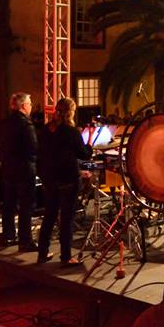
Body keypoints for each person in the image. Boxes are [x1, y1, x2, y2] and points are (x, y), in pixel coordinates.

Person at [37, 97, 92, 265]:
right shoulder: (71, 131)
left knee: (50, 216)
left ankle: (42, 253)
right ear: (70, 112)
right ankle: (66, 256)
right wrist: (89, 140)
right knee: (67, 219)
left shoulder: (46, 129)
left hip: (50, 178)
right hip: (68, 179)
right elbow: (84, 154)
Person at [0, 92, 39, 250]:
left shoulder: (3, 123)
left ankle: (8, 236)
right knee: (26, 205)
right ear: (23, 106)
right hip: (24, 169)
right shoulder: (26, 125)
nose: (30, 106)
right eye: (29, 103)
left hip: (8, 168)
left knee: (9, 203)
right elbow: (33, 147)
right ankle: (25, 240)